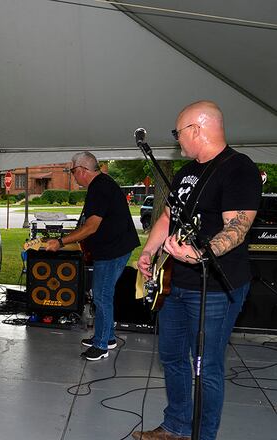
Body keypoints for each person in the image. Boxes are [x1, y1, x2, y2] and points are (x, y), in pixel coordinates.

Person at [133, 101, 261, 440]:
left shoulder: (238, 168)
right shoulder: (185, 172)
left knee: (207, 369)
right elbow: (165, 218)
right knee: (173, 357)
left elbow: (238, 226)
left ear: (198, 129)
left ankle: (203, 436)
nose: (177, 139)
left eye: (179, 132)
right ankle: (175, 427)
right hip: (175, 283)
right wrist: (149, 250)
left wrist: (202, 252)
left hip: (215, 285)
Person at [43, 152, 140, 361]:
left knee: (101, 295)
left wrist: (60, 242)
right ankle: (108, 337)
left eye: (72, 171)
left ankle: (101, 345)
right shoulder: (101, 185)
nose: (73, 175)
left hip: (113, 250)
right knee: (104, 294)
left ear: (82, 170)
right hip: (114, 247)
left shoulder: (100, 187)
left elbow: (91, 227)